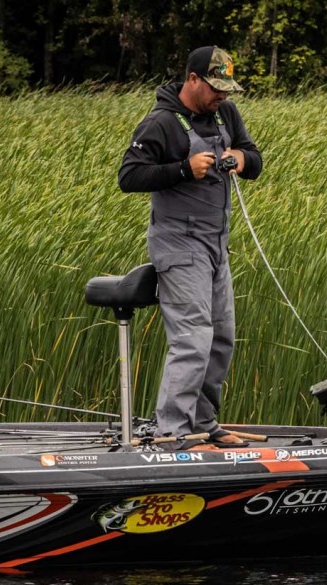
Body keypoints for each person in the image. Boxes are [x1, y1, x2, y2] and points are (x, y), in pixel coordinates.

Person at [118, 46, 262, 446]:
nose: (222, 95)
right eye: (215, 87)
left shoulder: (226, 113)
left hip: (216, 245)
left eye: (227, 89)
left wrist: (240, 158)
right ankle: (174, 433)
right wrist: (183, 169)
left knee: (221, 338)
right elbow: (129, 176)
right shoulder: (161, 122)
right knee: (193, 339)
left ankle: (203, 423)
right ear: (193, 79)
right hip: (179, 246)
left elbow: (254, 158)